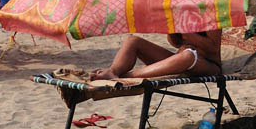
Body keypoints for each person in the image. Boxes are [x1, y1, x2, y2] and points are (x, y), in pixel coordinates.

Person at [92, 30, 223, 80]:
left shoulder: (211, 12)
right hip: (179, 61)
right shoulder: (182, 10)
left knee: (188, 55)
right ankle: (113, 71)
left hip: (207, 66)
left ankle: (127, 76)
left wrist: (188, 34)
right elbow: (176, 44)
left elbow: (213, 48)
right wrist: (172, 29)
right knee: (132, 41)